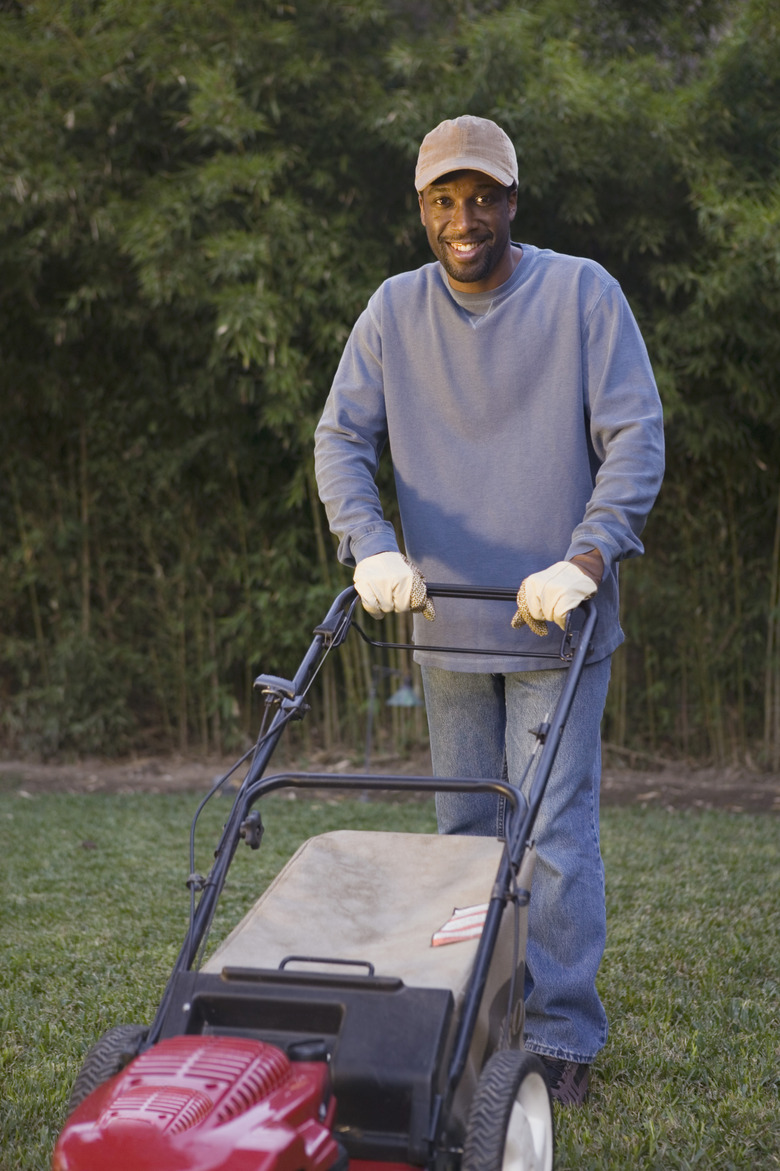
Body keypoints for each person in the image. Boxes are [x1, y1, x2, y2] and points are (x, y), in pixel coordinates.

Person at [313, 114, 664, 1105]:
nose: (462, 217)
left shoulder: (583, 295)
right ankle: (472, 1016)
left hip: (559, 619)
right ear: (421, 210)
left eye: (481, 197)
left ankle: (560, 1040)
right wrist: (371, 543)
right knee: (464, 830)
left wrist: (586, 556)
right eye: (442, 199)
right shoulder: (393, 311)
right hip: (449, 623)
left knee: (551, 833)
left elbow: (636, 437)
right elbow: (341, 439)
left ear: (513, 201)